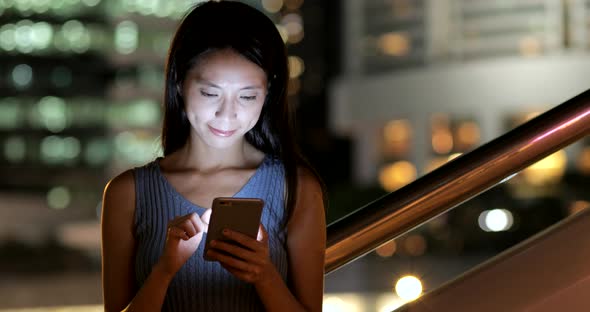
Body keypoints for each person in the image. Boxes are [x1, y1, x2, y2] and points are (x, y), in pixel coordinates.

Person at [100, 1, 326, 311]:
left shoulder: (296, 189)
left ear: (268, 93)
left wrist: (264, 275)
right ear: (179, 82)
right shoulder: (127, 193)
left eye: (247, 96)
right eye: (210, 93)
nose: (227, 113)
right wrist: (165, 270)